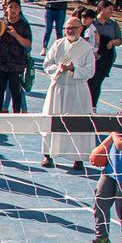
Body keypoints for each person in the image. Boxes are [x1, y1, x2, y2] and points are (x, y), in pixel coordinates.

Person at [40, 17, 97, 170]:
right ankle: (48, 154)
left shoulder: (86, 48)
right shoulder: (58, 44)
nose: (70, 31)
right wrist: (60, 69)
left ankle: (78, 157)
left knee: (78, 122)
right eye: (67, 28)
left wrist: (73, 69)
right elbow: (47, 63)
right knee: (51, 119)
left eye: (73, 28)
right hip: (58, 87)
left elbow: (90, 70)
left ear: (80, 29)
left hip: (77, 89)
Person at [0, 0, 33, 113]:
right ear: (6, 9)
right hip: (0, 63)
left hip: (16, 64)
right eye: (11, 7)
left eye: (16, 7)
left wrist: (16, 35)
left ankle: (16, 114)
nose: (13, 10)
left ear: (20, 9)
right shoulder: (0, 23)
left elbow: (28, 44)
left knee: (16, 91)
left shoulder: (24, 25)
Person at [88, 0, 122, 109]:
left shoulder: (113, 24)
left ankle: (93, 105)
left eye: (112, 10)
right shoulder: (93, 23)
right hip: (93, 55)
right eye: (109, 9)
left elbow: (119, 40)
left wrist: (112, 42)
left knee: (98, 81)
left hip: (107, 56)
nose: (111, 11)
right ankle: (87, 103)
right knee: (91, 81)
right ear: (102, 8)